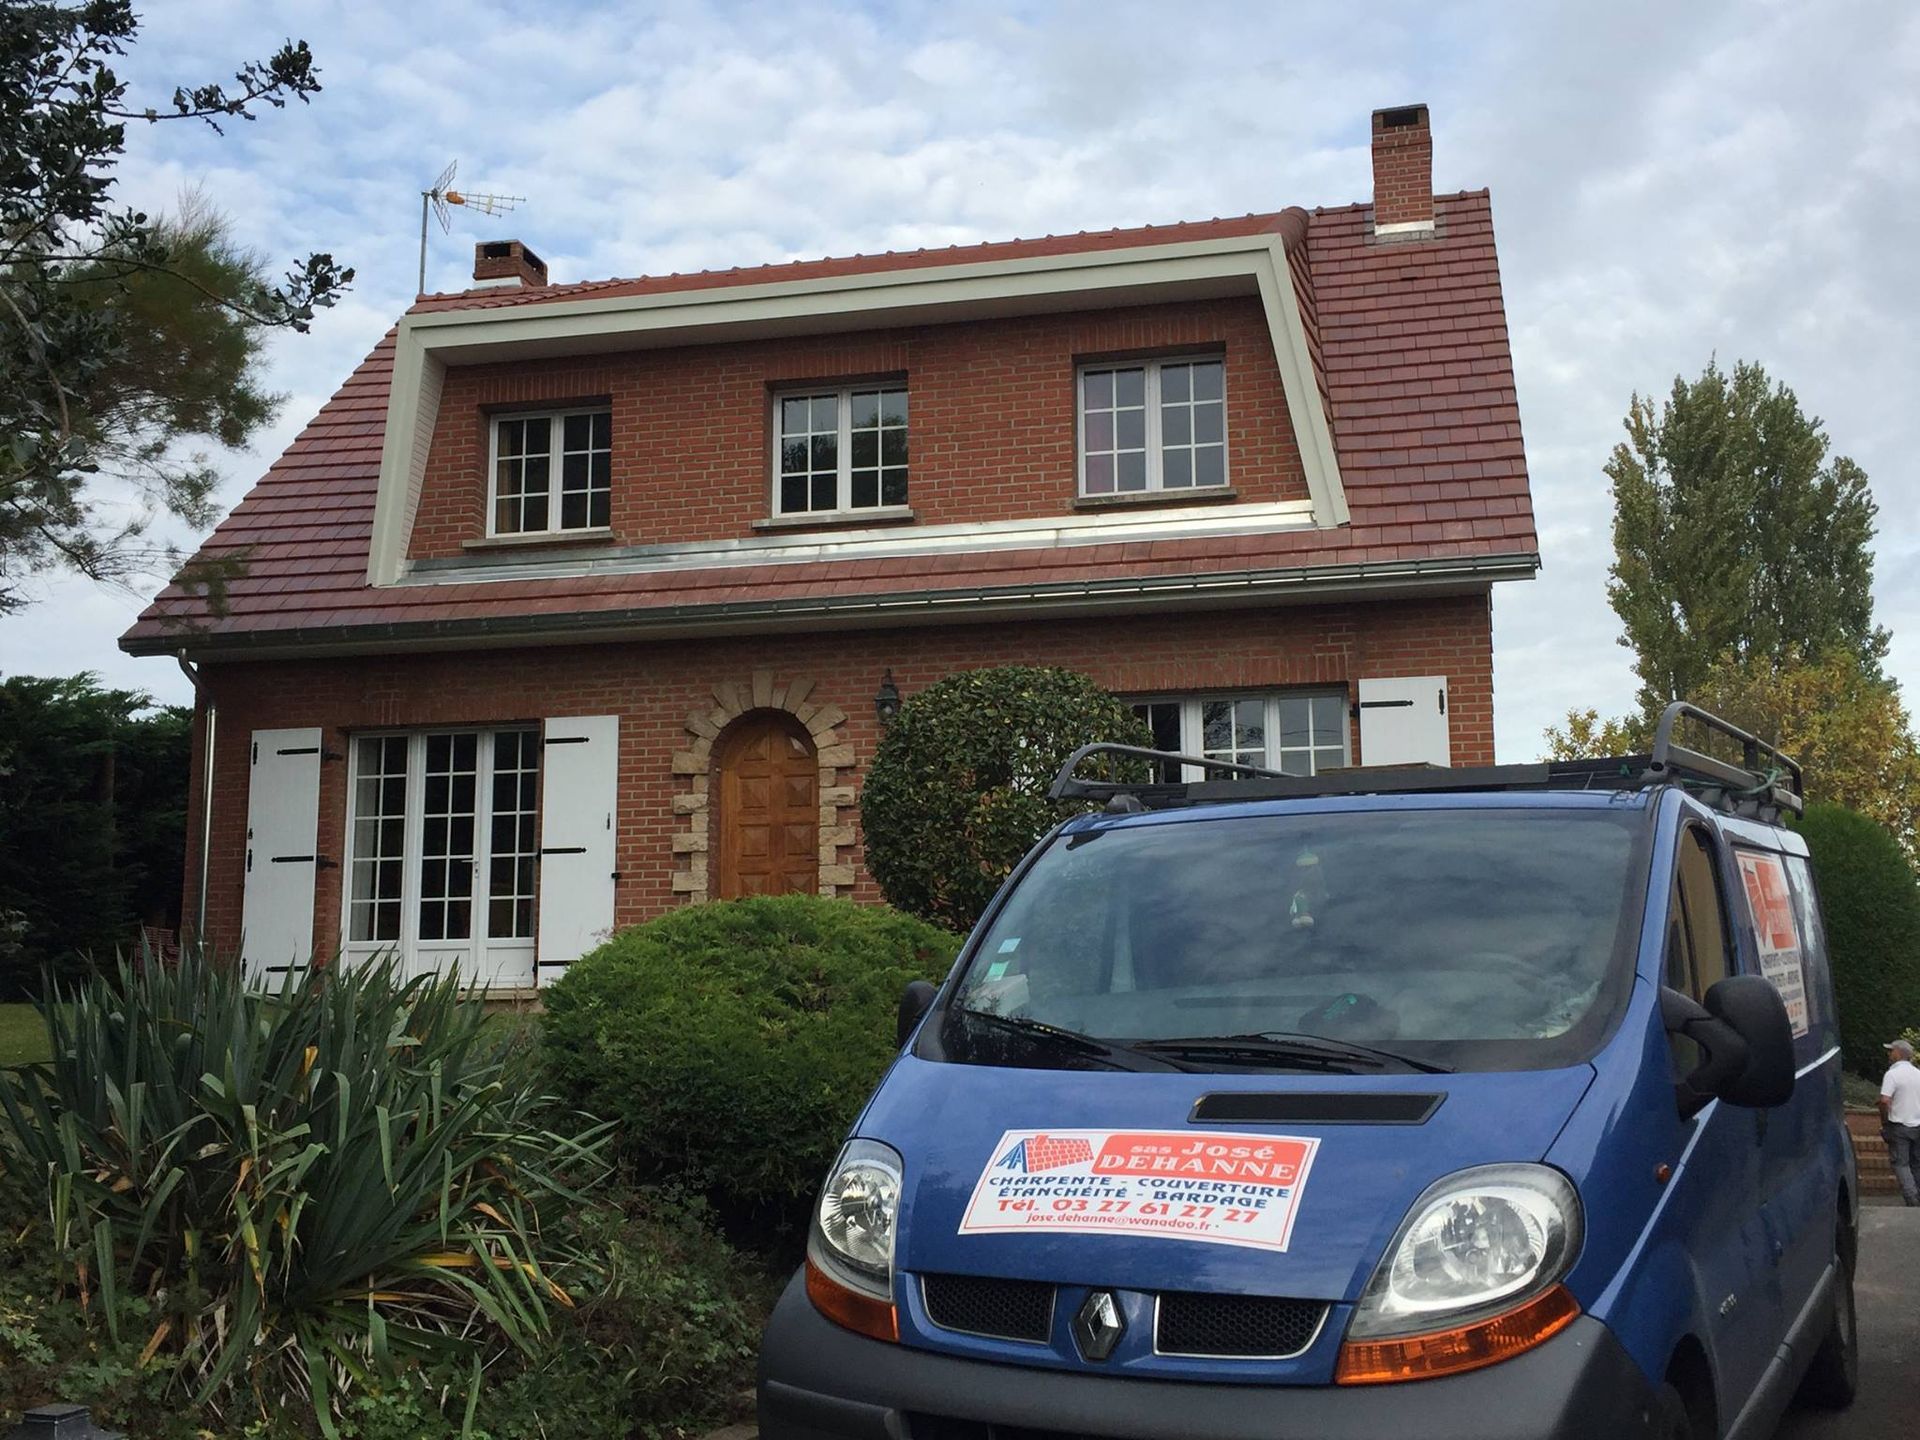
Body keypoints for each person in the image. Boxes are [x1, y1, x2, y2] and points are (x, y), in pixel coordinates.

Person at [1881, 1038, 1920, 1207]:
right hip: (1918, 1125)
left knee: (1901, 1163)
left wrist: (1885, 1121)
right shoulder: (1918, 1074)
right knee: (1917, 1162)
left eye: (1891, 1051)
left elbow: (1884, 1100)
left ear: (1898, 1053)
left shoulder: (1892, 1074)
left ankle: (1912, 1198)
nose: (1889, 1054)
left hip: (1899, 1126)